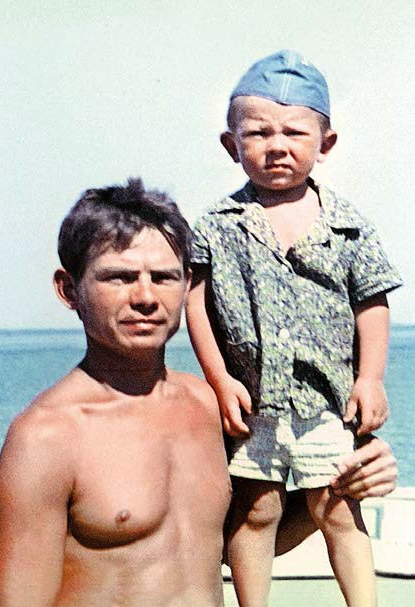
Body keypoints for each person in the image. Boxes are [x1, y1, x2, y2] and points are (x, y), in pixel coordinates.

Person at [0, 179, 397, 607]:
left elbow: (246, 532)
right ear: (69, 289)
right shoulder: (46, 438)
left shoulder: (205, 404)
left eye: (163, 277)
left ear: (187, 284)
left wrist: (345, 480)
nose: (145, 297)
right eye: (119, 278)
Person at [185, 50, 403, 607]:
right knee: (257, 508)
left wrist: (370, 379)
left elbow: (372, 303)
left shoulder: (348, 225)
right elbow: (196, 303)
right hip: (254, 402)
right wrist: (218, 379)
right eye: (258, 133)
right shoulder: (215, 226)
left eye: (294, 132)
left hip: (326, 402)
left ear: (325, 144)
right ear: (231, 145)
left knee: (337, 507)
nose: (277, 145)